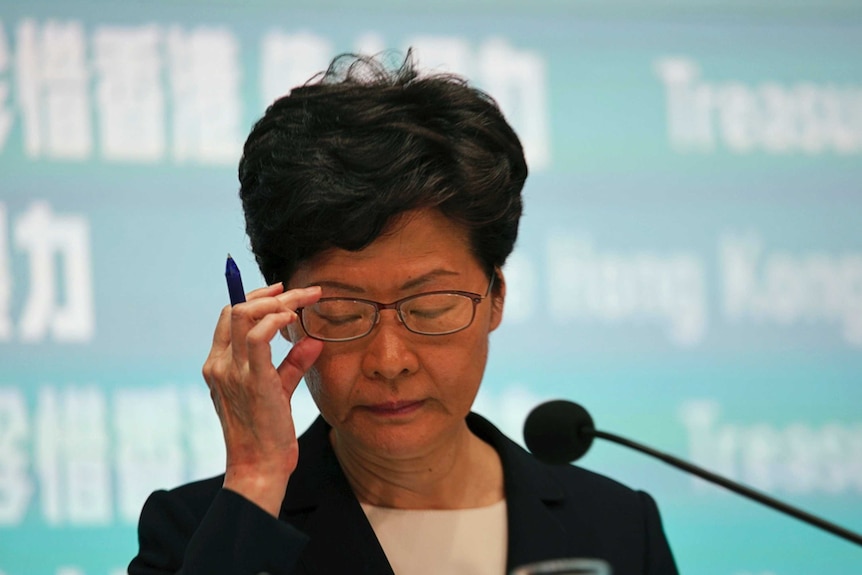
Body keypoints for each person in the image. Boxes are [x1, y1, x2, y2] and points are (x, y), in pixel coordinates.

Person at [129, 52, 678, 575]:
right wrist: (255, 478)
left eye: (431, 306)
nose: (390, 361)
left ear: (496, 298)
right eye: (343, 312)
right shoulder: (202, 532)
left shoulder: (618, 528)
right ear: (286, 316)